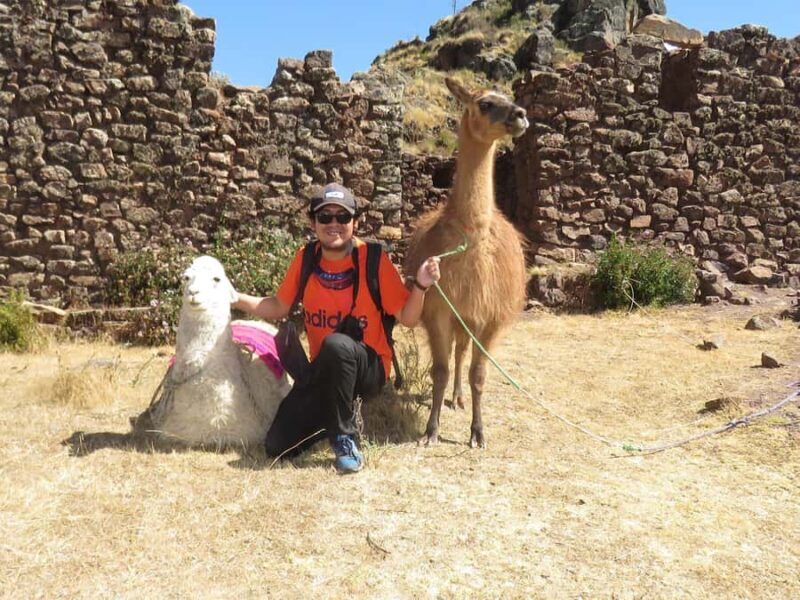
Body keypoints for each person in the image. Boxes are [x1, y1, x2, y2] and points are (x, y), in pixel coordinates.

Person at [233, 183, 440, 473]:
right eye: (325, 217)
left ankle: (344, 436)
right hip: (325, 370)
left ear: (355, 222)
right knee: (277, 446)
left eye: (342, 217)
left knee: (336, 344)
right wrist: (233, 296)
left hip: (369, 367)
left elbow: (407, 317)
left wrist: (420, 285)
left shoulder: (373, 259)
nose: (334, 224)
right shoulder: (305, 259)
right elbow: (278, 306)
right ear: (312, 222)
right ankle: (329, 420)